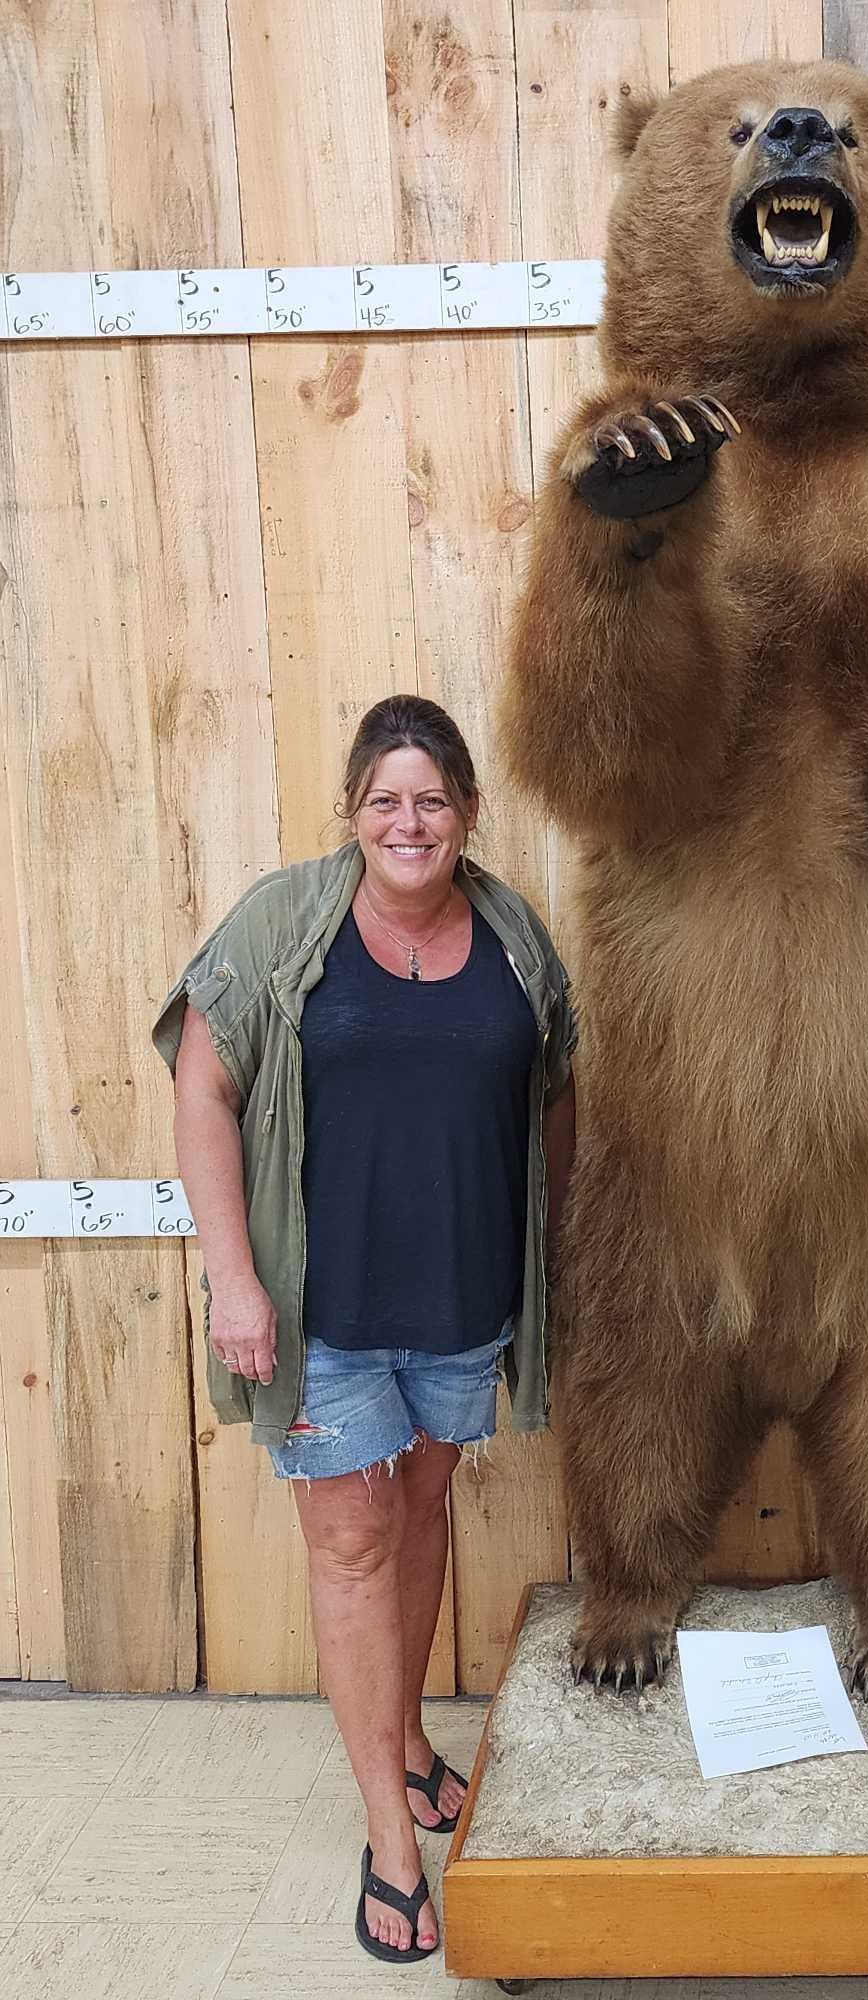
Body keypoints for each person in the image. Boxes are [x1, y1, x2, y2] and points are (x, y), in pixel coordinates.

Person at [153, 695, 576, 1965]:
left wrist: (554, 1256)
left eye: (432, 799)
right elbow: (203, 1084)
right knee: (351, 1543)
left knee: (422, 1513)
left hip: (460, 1302)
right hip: (321, 1311)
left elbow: (556, 1089)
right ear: (353, 810)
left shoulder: (512, 932)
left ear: (468, 812)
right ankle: (391, 1837)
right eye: (386, 799)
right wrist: (234, 1278)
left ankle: (404, 1738)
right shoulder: (286, 923)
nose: (409, 821)